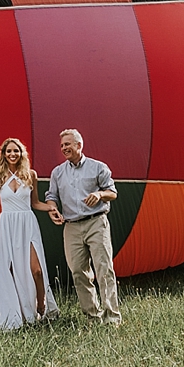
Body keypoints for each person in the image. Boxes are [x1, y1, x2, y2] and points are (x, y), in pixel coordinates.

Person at [0, 138, 60, 330]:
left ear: (21, 153)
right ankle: (19, 314)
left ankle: (41, 304)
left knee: (36, 269)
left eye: (15, 151)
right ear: (3, 154)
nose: (12, 154)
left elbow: (35, 203)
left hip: (28, 223)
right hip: (7, 225)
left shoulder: (30, 175)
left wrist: (51, 208)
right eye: (8, 151)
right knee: (10, 271)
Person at [46, 129, 121, 325]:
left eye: (68, 144)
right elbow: (51, 197)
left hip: (96, 222)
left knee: (104, 269)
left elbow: (112, 193)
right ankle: (92, 317)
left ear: (79, 145)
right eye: (62, 145)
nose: (64, 148)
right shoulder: (57, 173)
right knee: (79, 272)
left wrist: (100, 195)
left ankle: (112, 318)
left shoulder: (98, 167)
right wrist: (52, 209)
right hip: (71, 226)